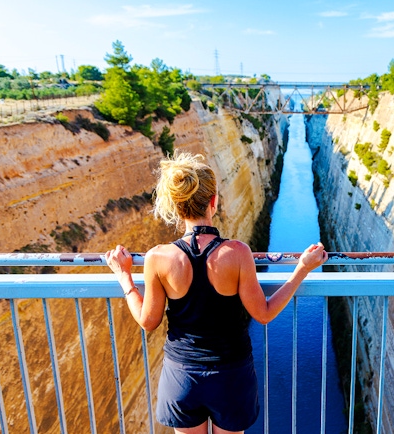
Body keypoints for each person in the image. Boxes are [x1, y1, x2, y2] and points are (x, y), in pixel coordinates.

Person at [105, 152, 328, 434]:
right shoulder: (236, 253)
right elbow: (264, 313)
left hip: (182, 376)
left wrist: (124, 275)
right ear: (214, 201)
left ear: (176, 205)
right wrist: (302, 269)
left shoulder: (157, 257)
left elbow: (148, 321)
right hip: (231, 375)